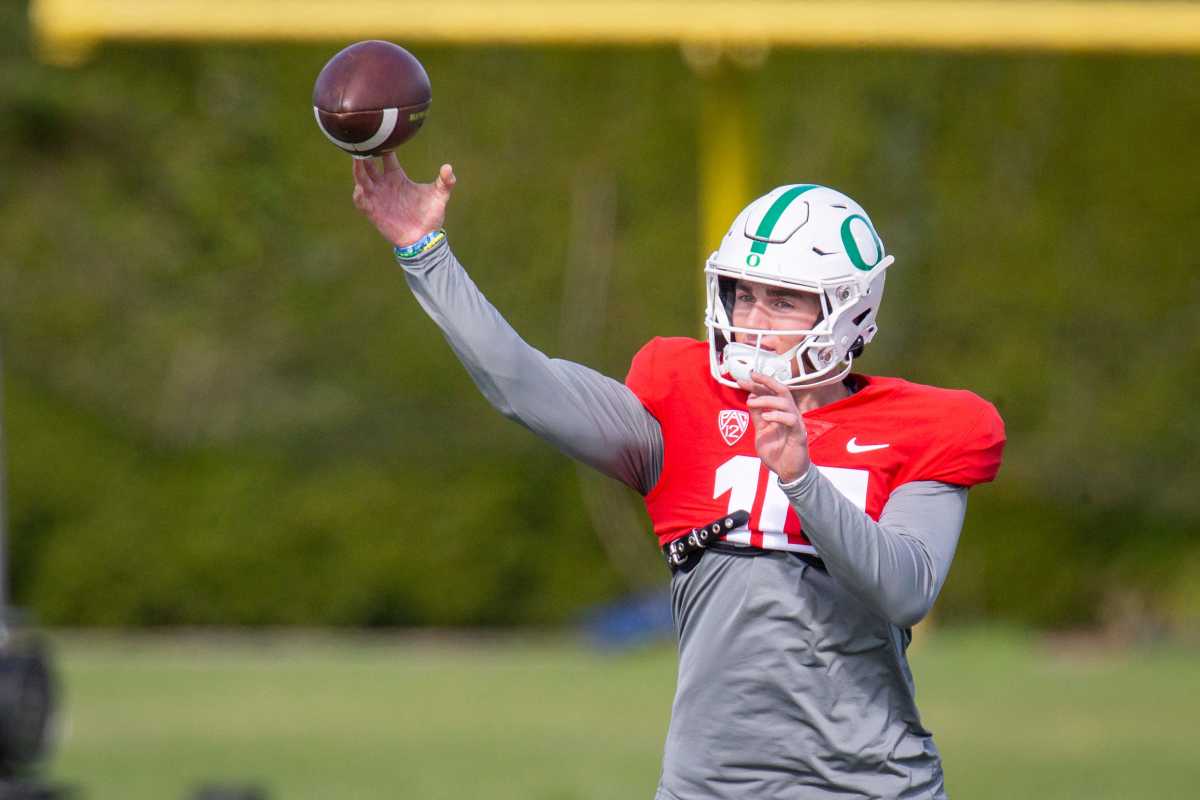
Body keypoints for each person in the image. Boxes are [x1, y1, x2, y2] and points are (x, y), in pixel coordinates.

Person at [350, 155, 1005, 800]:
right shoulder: (684, 404)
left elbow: (905, 589)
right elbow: (523, 385)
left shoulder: (924, 426)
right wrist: (424, 250)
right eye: (743, 294)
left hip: (867, 787)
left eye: (782, 301)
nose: (752, 318)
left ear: (849, 312)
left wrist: (803, 478)